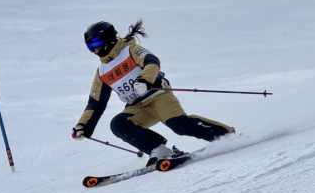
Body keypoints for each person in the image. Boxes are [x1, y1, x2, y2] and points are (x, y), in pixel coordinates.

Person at [72, 20, 235, 165]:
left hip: (158, 96)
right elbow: (95, 103)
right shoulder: (102, 72)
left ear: (109, 37)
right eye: (89, 46)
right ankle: (159, 150)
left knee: (179, 125)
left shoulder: (130, 50)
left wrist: (144, 80)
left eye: (96, 42)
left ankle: (227, 135)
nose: (95, 49)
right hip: (138, 107)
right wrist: (83, 126)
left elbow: (152, 61)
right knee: (118, 124)